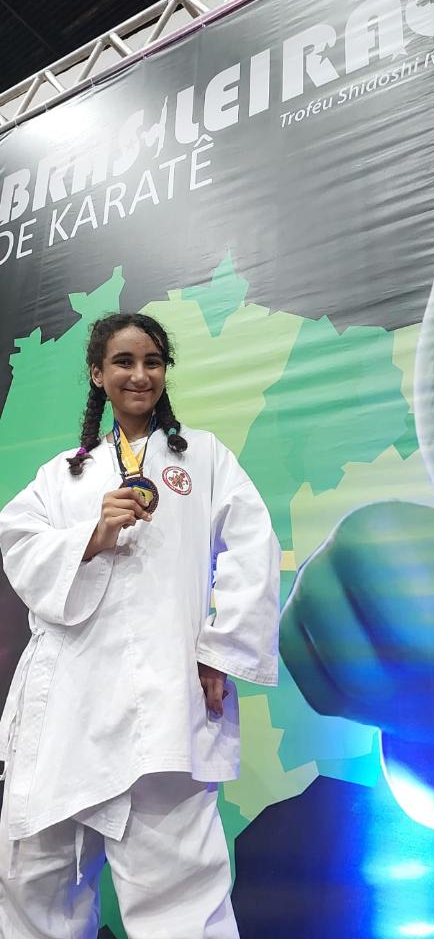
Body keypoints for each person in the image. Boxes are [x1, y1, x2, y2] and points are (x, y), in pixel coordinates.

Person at [0, 312, 280, 939]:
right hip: (69, 702)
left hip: (166, 698)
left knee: (180, 891)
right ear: (97, 374)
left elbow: (253, 548)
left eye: (152, 361)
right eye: (123, 362)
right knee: (36, 885)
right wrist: (92, 536)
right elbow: (17, 542)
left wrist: (221, 651)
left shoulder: (202, 456)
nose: (140, 374)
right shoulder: (65, 473)